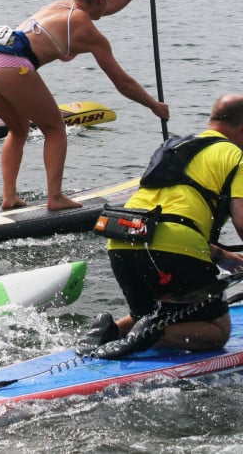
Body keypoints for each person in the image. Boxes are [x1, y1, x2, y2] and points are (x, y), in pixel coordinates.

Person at [0, 0, 169, 211]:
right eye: (104, 0)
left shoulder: (60, 6)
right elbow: (122, 82)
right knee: (55, 128)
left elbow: (107, 6)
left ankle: (9, 196)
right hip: (11, 68)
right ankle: (55, 197)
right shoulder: (87, 30)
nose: (106, 5)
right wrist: (153, 105)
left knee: (18, 129)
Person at [77, 94, 243, 359]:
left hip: (121, 240)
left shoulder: (175, 147)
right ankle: (154, 333)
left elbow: (168, 215)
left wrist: (220, 255)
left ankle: (108, 330)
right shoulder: (235, 155)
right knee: (217, 331)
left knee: (147, 313)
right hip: (172, 248)